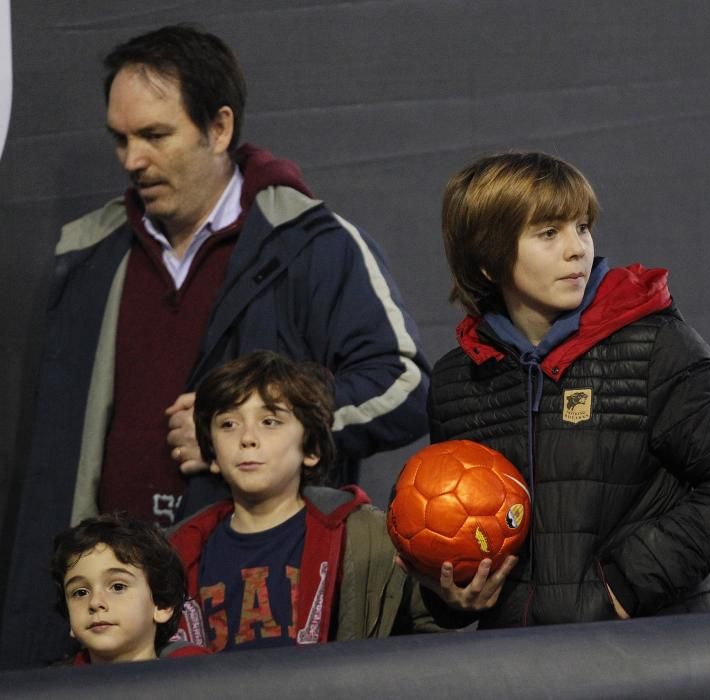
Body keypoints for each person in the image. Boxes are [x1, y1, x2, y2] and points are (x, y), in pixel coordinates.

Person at [1, 24, 428, 668]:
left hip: (248, 610)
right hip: (107, 634)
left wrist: (256, 422)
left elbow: (403, 384)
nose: (130, 160)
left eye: (154, 135)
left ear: (220, 127)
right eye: (120, 138)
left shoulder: (310, 243)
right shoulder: (89, 254)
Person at [417, 152, 710, 627]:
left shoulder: (654, 345)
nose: (578, 249)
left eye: (582, 227)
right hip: (521, 669)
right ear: (488, 260)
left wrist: (627, 586)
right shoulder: (455, 382)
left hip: (655, 653)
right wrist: (453, 595)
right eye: (549, 233)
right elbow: (455, 534)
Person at [169, 351, 450, 651]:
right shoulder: (176, 554)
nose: (247, 438)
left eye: (270, 421)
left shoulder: (369, 538)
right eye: (228, 424)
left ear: (311, 448)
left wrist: (454, 603)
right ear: (210, 453)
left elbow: (432, 641)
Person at [50, 513, 209, 664]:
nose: (95, 602)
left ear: (162, 605)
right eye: (80, 592)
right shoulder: (54, 689)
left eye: (118, 587)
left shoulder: (196, 680)